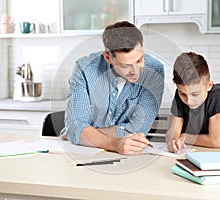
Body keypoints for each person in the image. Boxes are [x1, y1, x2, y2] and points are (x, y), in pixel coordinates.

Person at [62, 21, 164, 155]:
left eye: (139, 60)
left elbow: (139, 130)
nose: (135, 71)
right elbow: (75, 128)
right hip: (84, 152)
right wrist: (114, 143)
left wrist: (86, 133)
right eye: (125, 65)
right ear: (108, 58)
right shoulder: (84, 69)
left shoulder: (155, 70)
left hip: (127, 156)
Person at [166, 52, 220, 153]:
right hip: (206, 154)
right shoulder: (179, 94)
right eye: (183, 94)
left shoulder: (218, 95)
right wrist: (174, 141)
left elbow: (215, 141)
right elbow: (172, 131)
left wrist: (184, 137)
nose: (189, 101)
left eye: (195, 94)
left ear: (209, 85)